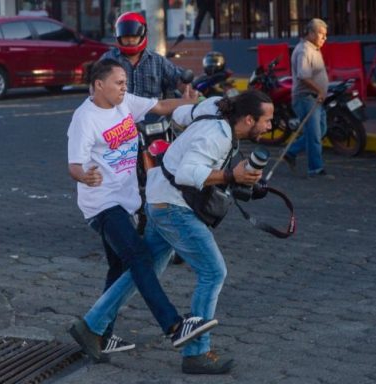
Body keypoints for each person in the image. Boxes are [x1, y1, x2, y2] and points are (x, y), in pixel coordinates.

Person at [76, 90, 274, 374]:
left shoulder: (213, 106)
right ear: (248, 119)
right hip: (173, 207)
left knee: (146, 270)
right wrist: (232, 175)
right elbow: (187, 173)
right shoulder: (216, 136)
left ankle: (90, 326)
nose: (270, 126)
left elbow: (181, 114)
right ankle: (196, 353)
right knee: (213, 271)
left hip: (159, 195)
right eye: (267, 121)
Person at [67, 59, 217, 362]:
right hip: (102, 205)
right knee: (140, 257)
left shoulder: (125, 104)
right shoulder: (85, 119)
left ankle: (96, 333)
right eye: (119, 83)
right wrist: (85, 175)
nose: (125, 88)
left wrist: (196, 102)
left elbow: (161, 106)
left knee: (120, 269)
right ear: (99, 85)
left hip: (127, 201)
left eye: (125, 83)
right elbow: (73, 165)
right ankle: (174, 325)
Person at [97, 10, 189, 351]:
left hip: (154, 134)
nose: (129, 44)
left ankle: (99, 330)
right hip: (116, 169)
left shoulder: (156, 64)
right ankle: (170, 325)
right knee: (131, 261)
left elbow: (169, 95)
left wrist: (188, 97)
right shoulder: (107, 69)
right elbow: (79, 161)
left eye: (134, 38)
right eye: (125, 39)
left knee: (165, 182)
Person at [101, 11, 186, 99]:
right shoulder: (108, 59)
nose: (130, 40)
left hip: (153, 111)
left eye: (134, 36)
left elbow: (179, 80)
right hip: (118, 111)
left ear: (142, 35)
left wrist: (186, 88)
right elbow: (96, 87)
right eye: (126, 37)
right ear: (119, 37)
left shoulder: (158, 61)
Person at [283, 18, 329, 177]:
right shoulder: (304, 50)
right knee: (315, 134)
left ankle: (291, 151)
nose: (324, 38)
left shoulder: (314, 48)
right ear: (310, 33)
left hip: (314, 98)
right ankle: (315, 169)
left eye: (325, 35)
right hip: (306, 98)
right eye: (321, 34)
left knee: (320, 131)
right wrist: (320, 90)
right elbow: (303, 76)